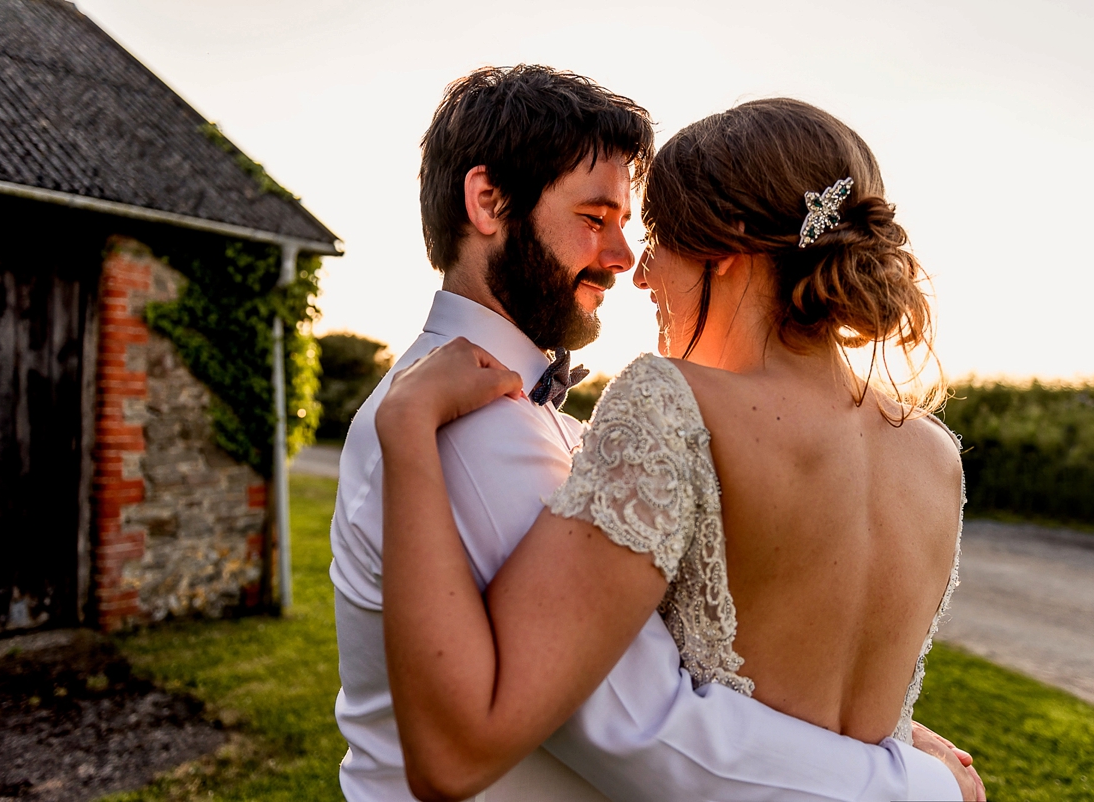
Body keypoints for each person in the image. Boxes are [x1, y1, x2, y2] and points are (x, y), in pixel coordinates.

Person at [332, 66, 979, 801]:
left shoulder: (657, 411)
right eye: (594, 218)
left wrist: (895, 752)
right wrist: (907, 776)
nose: (627, 264)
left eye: (646, 233)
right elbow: (636, 722)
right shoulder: (932, 451)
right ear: (486, 201)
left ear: (725, 247)